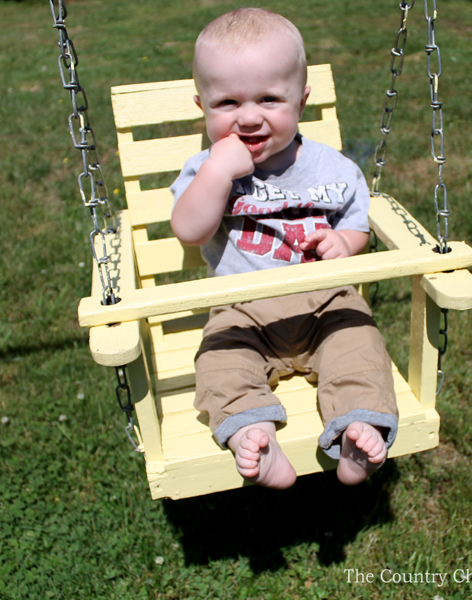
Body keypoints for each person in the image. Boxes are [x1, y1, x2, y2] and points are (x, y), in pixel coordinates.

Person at [170, 8, 398, 489]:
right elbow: (189, 230)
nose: (248, 117)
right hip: (242, 308)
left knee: (360, 347)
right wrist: (217, 171)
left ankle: (358, 428)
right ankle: (253, 433)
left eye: (269, 99)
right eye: (227, 102)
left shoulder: (331, 167)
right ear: (202, 107)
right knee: (219, 363)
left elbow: (356, 225)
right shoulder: (204, 170)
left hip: (325, 301)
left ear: (301, 101)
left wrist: (343, 242)